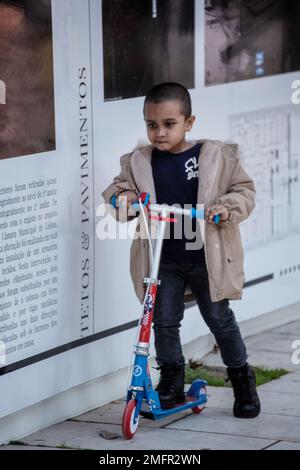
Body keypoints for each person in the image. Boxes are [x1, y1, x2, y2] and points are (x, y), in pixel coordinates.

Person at [102, 82, 260, 418]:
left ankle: (242, 379)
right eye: (152, 124)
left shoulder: (215, 157)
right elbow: (118, 191)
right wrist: (125, 198)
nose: (159, 133)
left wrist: (226, 208)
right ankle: (172, 380)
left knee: (219, 318)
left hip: (206, 257)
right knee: (163, 321)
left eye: (169, 124)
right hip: (164, 258)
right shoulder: (140, 162)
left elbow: (243, 191)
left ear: (189, 122)